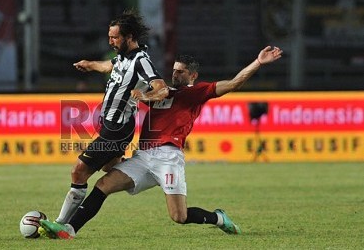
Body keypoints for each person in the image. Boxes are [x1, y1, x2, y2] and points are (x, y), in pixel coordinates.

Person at [41, 46, 283, 239]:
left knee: (179, 216)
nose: (175, 74)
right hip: (143, 156)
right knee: (104, 184)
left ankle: (218, 218)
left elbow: (233, 84)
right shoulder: (159, 91)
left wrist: (258, 62)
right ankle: (69, 230)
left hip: (169, 159)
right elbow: (121, 73)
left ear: (193, 76)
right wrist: (96, 69)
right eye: (174, 70)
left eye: (181, 72)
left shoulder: (195, 93)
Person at [55, 9, 169, 224]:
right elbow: (109, 66)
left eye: (115, 37)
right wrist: (90, 64)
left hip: (116, 131)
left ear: (130, 37)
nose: (110, 42)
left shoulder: (140, 61)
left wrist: (145, 95)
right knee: (110, 168)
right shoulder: (122, 58)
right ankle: (151, 171)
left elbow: (162, 88)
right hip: (110, 127)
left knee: (78, 172)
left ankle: (60, 224)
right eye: (109, 37)